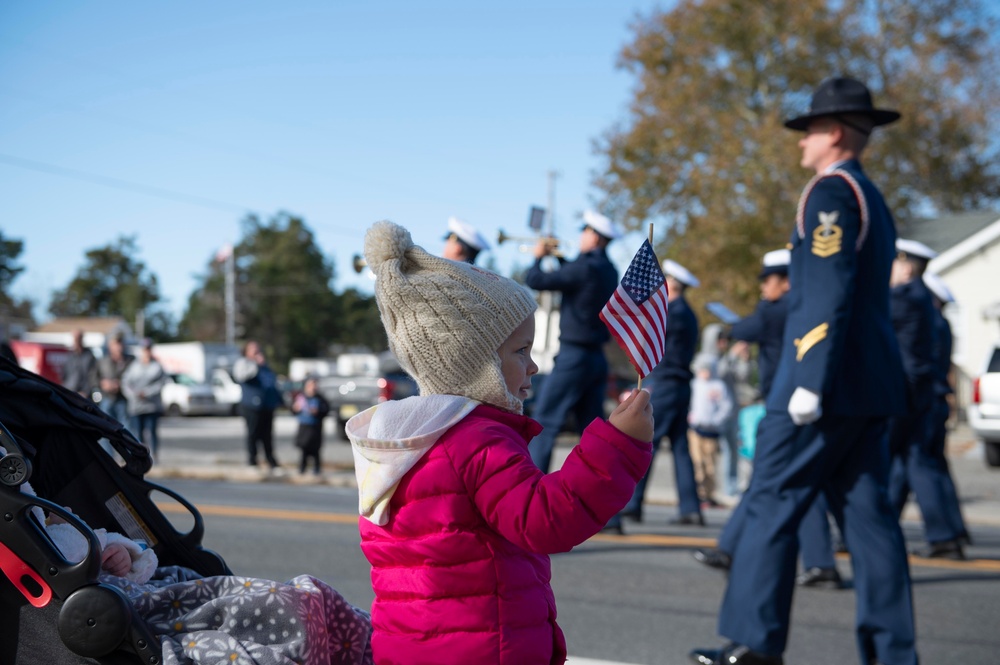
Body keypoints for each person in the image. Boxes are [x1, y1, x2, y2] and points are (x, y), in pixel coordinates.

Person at [346, 220, 653, 665]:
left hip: (412, 648)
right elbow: (544, 519)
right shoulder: (475, 437)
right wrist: (619, 446)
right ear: (474, 362)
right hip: (488, 648)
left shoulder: (401, 436)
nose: (532, 367)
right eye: (519, 352)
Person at [691, 77, 917, 665]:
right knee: (871, 525)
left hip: (823, 386)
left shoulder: (830, 193)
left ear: (835, 133)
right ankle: (894, 653)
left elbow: (824, 289)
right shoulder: (871, 194)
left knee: (770, 500)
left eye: (809, 131)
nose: (801, 144)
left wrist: (809, 379)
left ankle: (753, 644)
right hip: (868, 385)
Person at [3, 444, 374, 664]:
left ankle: (349, 631)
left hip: (136, 588)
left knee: (281, 596)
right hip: (113, 611)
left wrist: (125, 553)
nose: (50, 518)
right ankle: (328, 631)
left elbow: (120, 548)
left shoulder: (52, 524)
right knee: (277, 607)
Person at [694, 248, 845, 590]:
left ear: (786, 281)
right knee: (799, 481)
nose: (763, 288)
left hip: (784, 408)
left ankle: (731, 549)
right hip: (802, 405)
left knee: (766, 477)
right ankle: (821, 563)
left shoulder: (777, 310)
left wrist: (731, 327)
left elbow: (744, 328)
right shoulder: (804, 306)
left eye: (768, 280)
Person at [524, 209, 621, 473]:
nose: (580, 236)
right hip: (596, 358)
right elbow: (575, 275)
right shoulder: (608, 269)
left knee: (544, 421)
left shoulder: (584, 267)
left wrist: (538, 258)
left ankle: (529, 488)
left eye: (585, 231)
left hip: (573, 356)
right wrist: (559, 256)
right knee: (592, 434)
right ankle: (608, 506)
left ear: (596, 238)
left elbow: (536, 280)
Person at [886, 239, 966, 559]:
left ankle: (944, 535)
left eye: (893, 263)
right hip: (922, 398)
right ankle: (941, 532)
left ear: (906, 267)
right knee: (907, 466)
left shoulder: (906, 298)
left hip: (910, 398)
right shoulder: (920, 300)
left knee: (913, 465)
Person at [611, 258, 703, 530]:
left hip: (666, 383)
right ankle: (691, 508)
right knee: (680, 450)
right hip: (679, 385)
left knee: (644, 443)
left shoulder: (674, 312)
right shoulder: (687, 312)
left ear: (673, 284)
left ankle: (633, 503)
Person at [923, 271, 970, 546]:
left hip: (925, 403)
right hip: (934, 402)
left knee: (921, 467)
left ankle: (946, 535)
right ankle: (952, 530)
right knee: (927, 468)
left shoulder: (930, 323)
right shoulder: (940, 324)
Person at [688, 353, 734, 507]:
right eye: (702, 370)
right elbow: (690, 404)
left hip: (712, 432)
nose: (705, 373)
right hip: (695, 430)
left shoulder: (718, 386)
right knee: (697, 462)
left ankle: (709, 493)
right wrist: (691, 417)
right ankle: (699, 493)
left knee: (710, 465)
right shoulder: (694, 384)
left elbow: (727, 407)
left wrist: (717, 421)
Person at [232, 340, 284, 471]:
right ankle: (252, 461)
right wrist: (255, 364)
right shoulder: (243, 363)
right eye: (253, 349)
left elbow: (272, 383)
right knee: (253, 434)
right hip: (252, 406)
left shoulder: (265, 366)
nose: (257, 351)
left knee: (267, 435)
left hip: (267, 405)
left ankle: (271, 461)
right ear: (246, 351)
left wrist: (280, 400)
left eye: (258, 349)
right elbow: (241, 376)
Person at [121, 339, 167, 459]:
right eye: (144, 349)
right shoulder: (134, 366)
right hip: (136, 406)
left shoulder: (157, 366)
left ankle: (154, 456)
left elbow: (161, 383)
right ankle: (141, 457)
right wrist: (134, 394)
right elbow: (125, 383)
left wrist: (146, 393)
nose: (146, 352)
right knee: (137, 433)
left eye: (148, 349)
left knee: (151, 432)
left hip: (151, 406)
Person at [292, 375, 331, 475]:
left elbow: (326, 410)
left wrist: (318, 412)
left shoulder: (320, 398)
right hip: (304, 427)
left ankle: (317, 469)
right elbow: (293, 409)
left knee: (316, 450)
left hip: (315, 427)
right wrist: (295, 408)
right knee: (304, 449)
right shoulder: (301, 397)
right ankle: (302, 468)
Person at [97, 333, 133, 425]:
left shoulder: (130, 360)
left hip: (123, 399)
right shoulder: (103, 361)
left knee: (125, 428)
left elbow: (135, 378)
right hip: (106, 398)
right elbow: (94, 377)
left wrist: (120, 384)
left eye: (119, 343)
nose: (118, 347)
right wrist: (102, 384)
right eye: (115, 344)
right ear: (110, 345)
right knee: (105, 427)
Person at [60, 328, 98, 399]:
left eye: (78, 338)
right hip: (69, 392)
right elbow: (64, 376)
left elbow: (92, 377)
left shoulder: (89, 357)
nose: (76, 340)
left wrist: (86, 392)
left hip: (84, 395)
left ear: (82, 339)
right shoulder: (69, 357)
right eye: (74, 338)